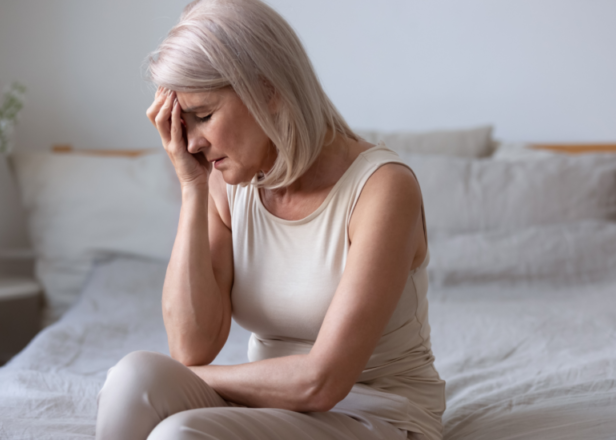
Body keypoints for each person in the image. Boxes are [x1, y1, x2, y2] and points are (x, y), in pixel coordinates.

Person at [95, 0, 445, 438]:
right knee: (133, 377)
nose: (194, 142)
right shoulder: (227, 182)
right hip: (270, 406)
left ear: (268, 90)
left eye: (203, 116)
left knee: (177, 433)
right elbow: (191, 347)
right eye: (183, 124)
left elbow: (323, 382)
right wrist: (192, 187)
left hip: (375, 413)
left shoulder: (382, 188)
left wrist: (198, 382)